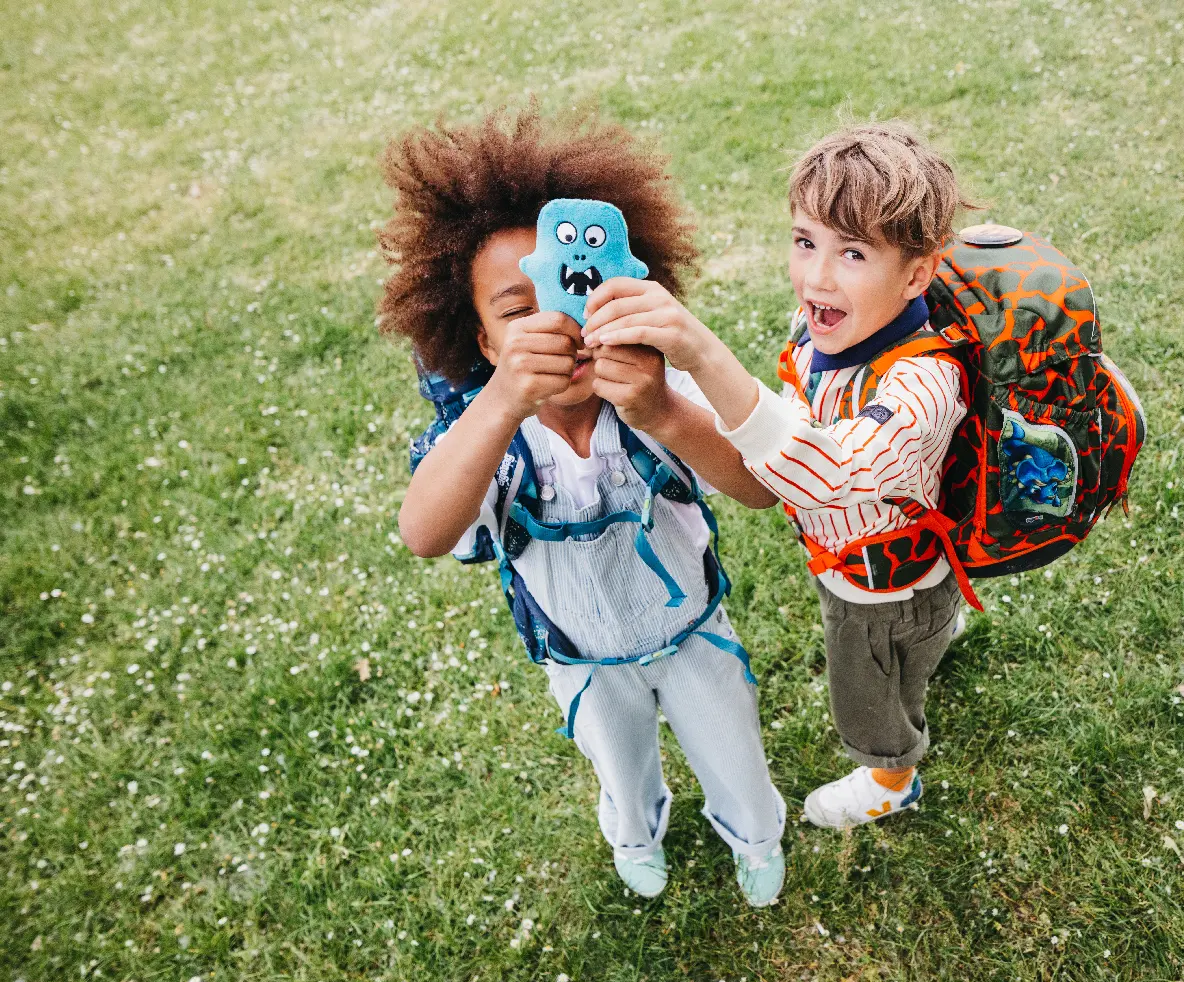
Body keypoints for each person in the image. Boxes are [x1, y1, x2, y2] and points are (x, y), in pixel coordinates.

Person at [380, 108, 786, 903]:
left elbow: (761, 488)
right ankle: (635, 834)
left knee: (732, 745)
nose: (555, 323)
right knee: (619, 764)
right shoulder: (484, 438)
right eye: (517, 309)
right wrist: (498, 406)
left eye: (572, 289)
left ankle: (755, 834)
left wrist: (666, 412)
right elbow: (424, 533)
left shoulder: (661, 396)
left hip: (695, 633)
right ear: (483, 343)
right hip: (581, 658)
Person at [584, 121, 972, 830]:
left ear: (916, 274)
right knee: (916, 636)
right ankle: (934, 631)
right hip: (889, 556)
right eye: (805, 241)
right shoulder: (831, 325)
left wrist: (702, 354)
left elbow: (827, 472)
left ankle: (890, 774)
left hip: (879, 585)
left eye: (853, 253)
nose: (817, 277)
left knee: (869, 685)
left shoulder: (926, 385)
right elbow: (779, 450)